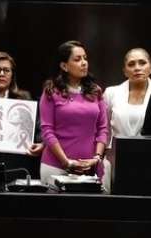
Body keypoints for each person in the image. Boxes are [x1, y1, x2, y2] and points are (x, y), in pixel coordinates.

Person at [39, 41, 109, 185]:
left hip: (90, 168)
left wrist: (97, 158)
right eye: (77, 59)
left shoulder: (95, 91)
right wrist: (66, 162)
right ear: (64, 66)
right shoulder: (51, 92)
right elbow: (47, 131)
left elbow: (103, 128)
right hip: (56, 167)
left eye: (85, 58)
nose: (84, 63)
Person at [102, 48, 151, 189]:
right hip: (114, 161)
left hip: (148, 161)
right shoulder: (111, 93)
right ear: (125, 71)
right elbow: (104, 130)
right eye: (131, 64)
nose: (137, 68)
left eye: (142, 63)